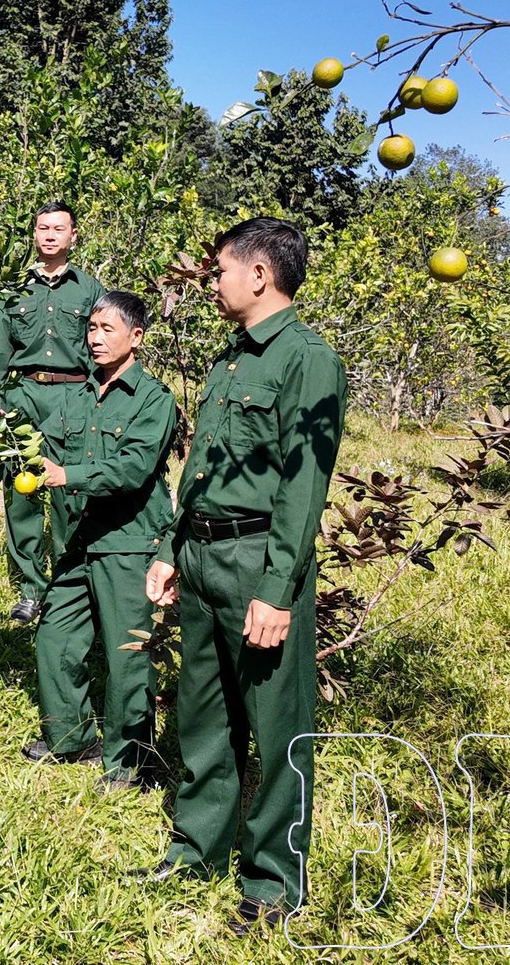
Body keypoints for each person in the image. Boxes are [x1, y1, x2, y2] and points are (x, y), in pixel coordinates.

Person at [139, 217, 346, 936]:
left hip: (261, 559)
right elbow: (200, 470)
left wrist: (277, 589)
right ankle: (197, 849)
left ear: (259, 275)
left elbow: (303, 484)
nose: (213, 280)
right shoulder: (231, 359)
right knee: (203, 716)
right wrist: (170, 546)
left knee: (275, 726)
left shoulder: (306, 360)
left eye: (222, 268)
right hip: (201, 555)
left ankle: (272, 882)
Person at [25, 291, 174, 790]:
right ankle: (71, 738)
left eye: (108, 329)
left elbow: (131, 468)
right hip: (80, 539)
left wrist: (66, 474)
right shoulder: (76, 395)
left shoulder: (153, 400)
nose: (95, 338)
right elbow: (38, 446)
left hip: (130, 542)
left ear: (136, 337)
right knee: (56, 636)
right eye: (91, 328)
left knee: (127, 654)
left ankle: (129, 763)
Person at [0, 201, 103, 625]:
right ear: (33, 235)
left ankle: (68, 587)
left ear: (73, 236)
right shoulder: (13, 288)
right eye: (42, 228)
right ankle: (31, 588)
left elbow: (100, 350)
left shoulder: (90, 290)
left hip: (73, 399)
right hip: (22, 397)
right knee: (22, 493)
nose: (50, 235)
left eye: (59, 228)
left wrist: (97, 402)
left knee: (70, 495)